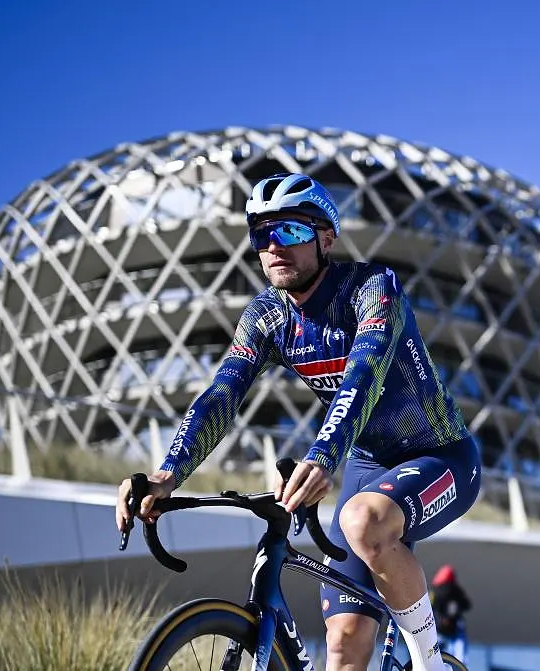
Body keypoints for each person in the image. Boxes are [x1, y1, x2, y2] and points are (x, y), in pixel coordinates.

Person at [116, 172, 482, 671]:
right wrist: (167, 473)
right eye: (261, 234)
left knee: (361, 521)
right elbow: (224, 391)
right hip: (370, 464)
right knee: (345, 642)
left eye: (288, 232)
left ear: (325, 237)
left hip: (440, 454)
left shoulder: (373, 289)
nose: (273, 246)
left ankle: (429, 662)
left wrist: (323, 456)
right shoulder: (268, 315)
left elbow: (364, 375)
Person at [430, 564, 472, 656]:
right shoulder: (454, 590)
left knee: (436, 654)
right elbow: (467, 605)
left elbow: (466, 604)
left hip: (445, 628)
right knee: (457, 655)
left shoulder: (436, 591)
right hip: (445, 629)